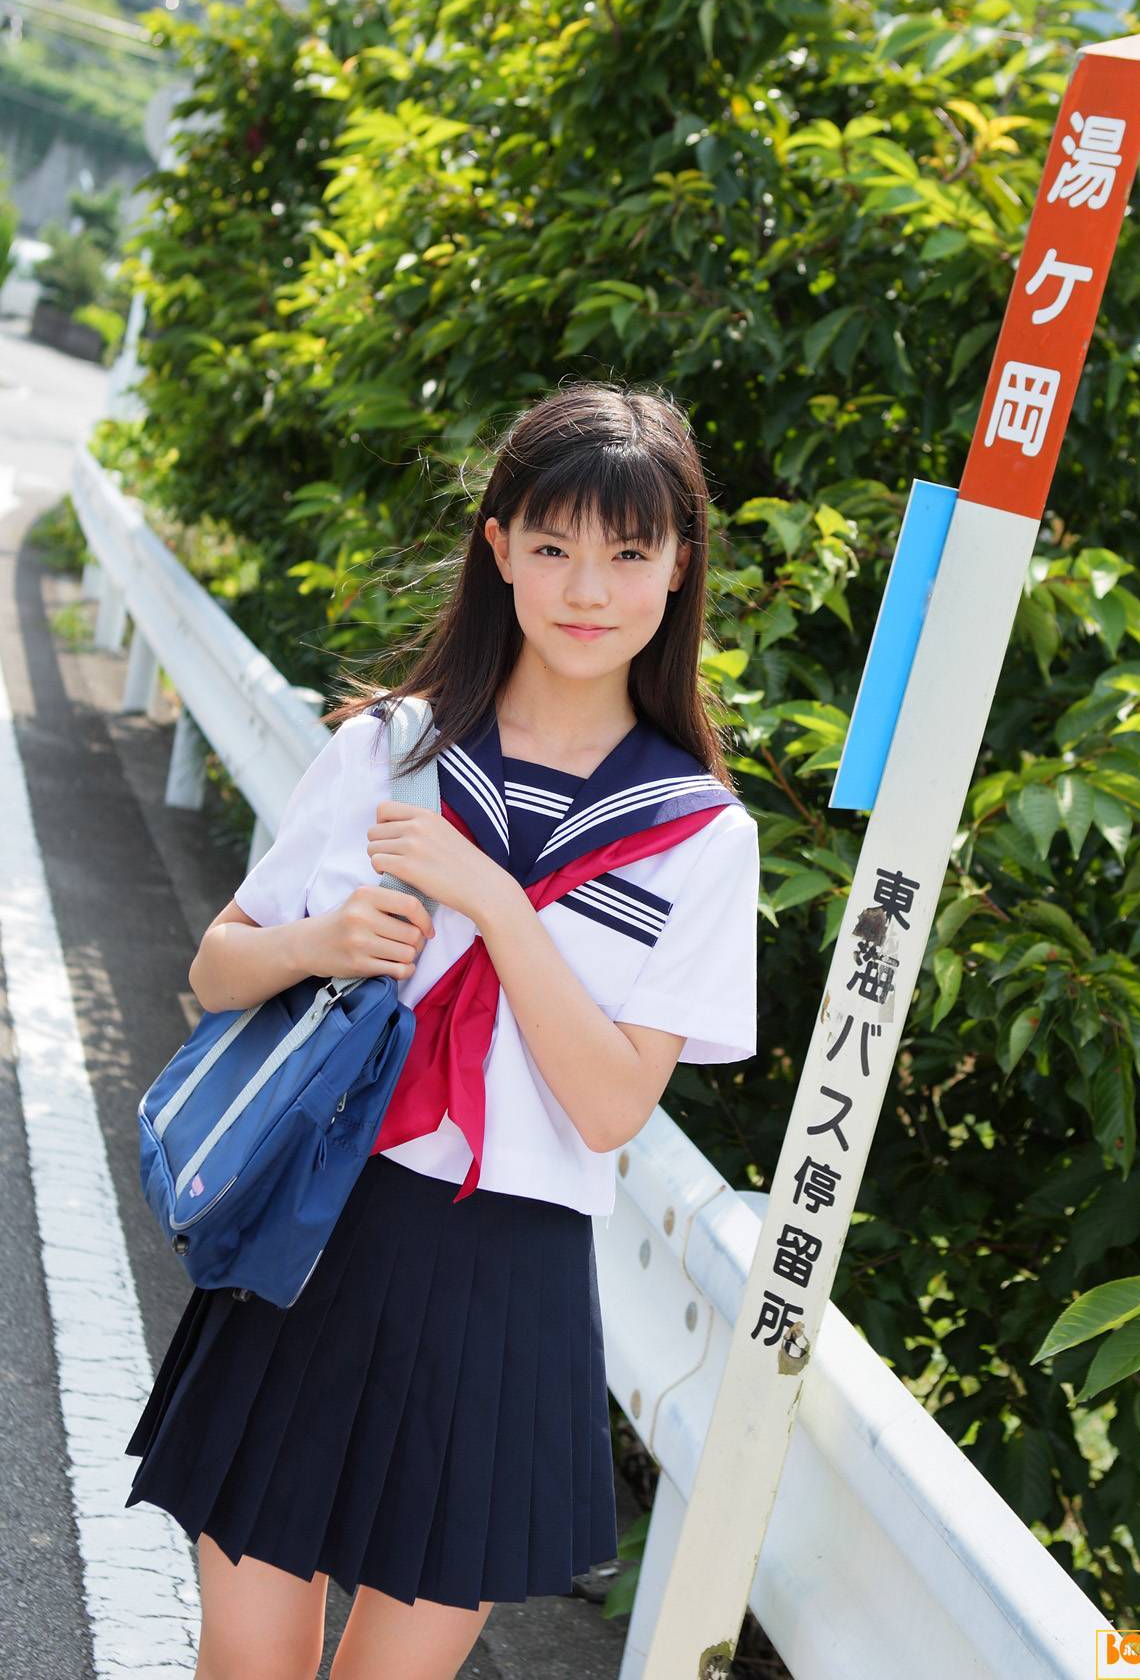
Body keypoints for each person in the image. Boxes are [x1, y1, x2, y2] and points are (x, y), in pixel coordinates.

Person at [123, 378, 761, 1680]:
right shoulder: (392, 751)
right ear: (499, 548)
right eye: (552, 546)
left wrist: (494, 906)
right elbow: (216, 971)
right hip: (321, 1233)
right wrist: (316, 945)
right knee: (246, 1663)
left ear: (678, 566)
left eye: (628, 554)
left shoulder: (700, 834)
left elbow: (607, 1109)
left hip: (506, 1284)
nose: (588, 589)